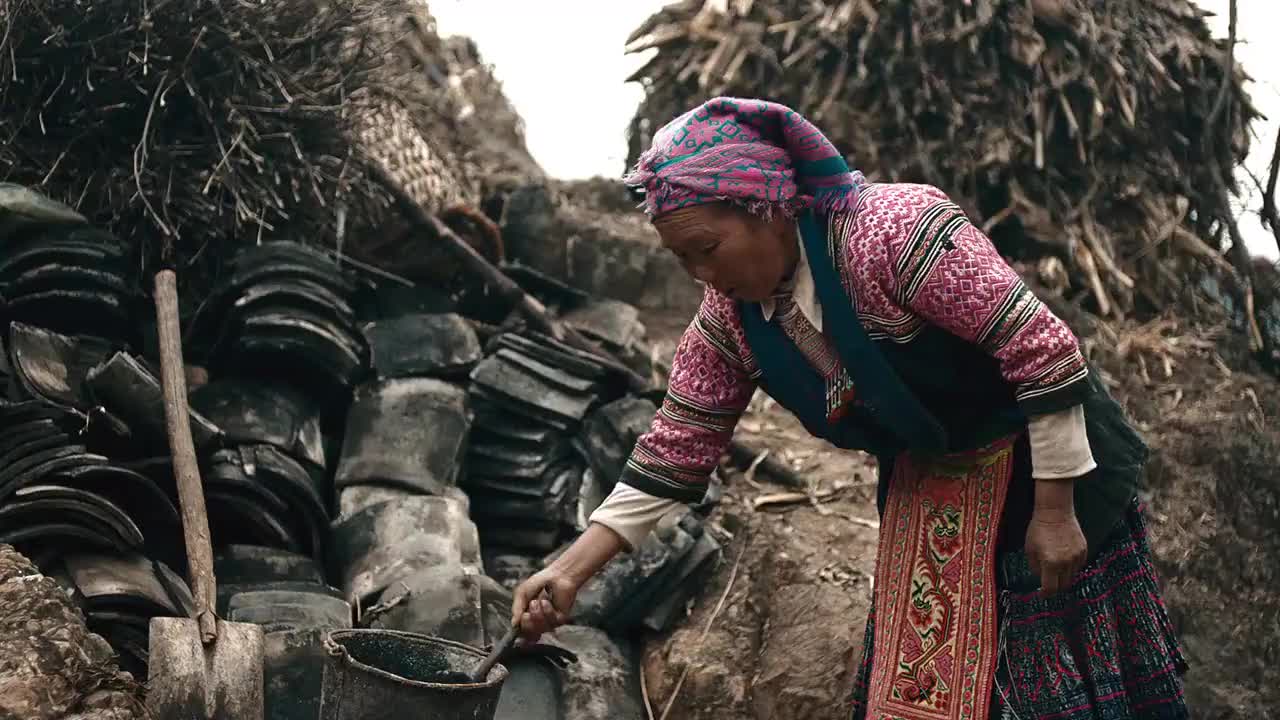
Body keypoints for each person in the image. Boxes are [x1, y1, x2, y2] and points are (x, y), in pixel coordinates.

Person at [511, 97, 1188, 719]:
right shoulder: (730, 321)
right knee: (925, 684)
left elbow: (1040, 348)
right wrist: (568, 573)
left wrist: (1055, 509)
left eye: (707, 249)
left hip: (1048, 463)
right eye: (683, 258)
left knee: (1060, 672)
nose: (702, 276)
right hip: (933, 485)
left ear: (767, 204)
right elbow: (675, 448)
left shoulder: (894, 234)